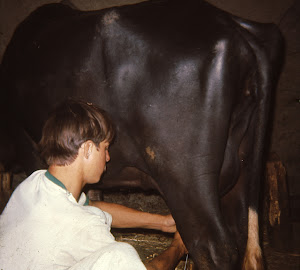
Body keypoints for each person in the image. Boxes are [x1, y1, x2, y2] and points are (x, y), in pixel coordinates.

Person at [0, 99, 187, 270]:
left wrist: (162, 222)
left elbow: (93, 207)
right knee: (122, 253)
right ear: (88, 148)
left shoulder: (34, 183)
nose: (108, 157)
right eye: (105, 148)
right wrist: (177, 248)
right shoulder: (85, 227)